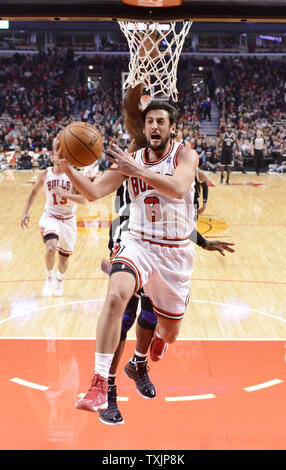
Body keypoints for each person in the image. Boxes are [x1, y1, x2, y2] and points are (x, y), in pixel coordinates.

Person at [56, 100, 233, 419]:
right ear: (144, 126)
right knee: (115, 298)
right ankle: (98, 384)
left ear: (171, 127)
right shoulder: (131, 159)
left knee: (169, 332)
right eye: (150, 121)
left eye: (161, 122)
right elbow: (94, 193)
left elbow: (179, 187)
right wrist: (67, 166)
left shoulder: (185, 154)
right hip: (138, 243)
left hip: (175, 254)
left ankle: (143, 358)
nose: (154, 126)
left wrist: (135, 170)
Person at [20, 140, 86, 297]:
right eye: (58, 153)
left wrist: (65, 194)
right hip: (50, 216)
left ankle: (59, 280)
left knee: (64, 260)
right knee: (51, 247)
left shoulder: (73, 175)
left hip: (68, 219)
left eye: (64, 154)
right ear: (53, 156)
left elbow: (83, 198)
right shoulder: (46, 173)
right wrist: (25, 211)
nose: (60, 156)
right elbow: (34, 191)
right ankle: (49, 278)